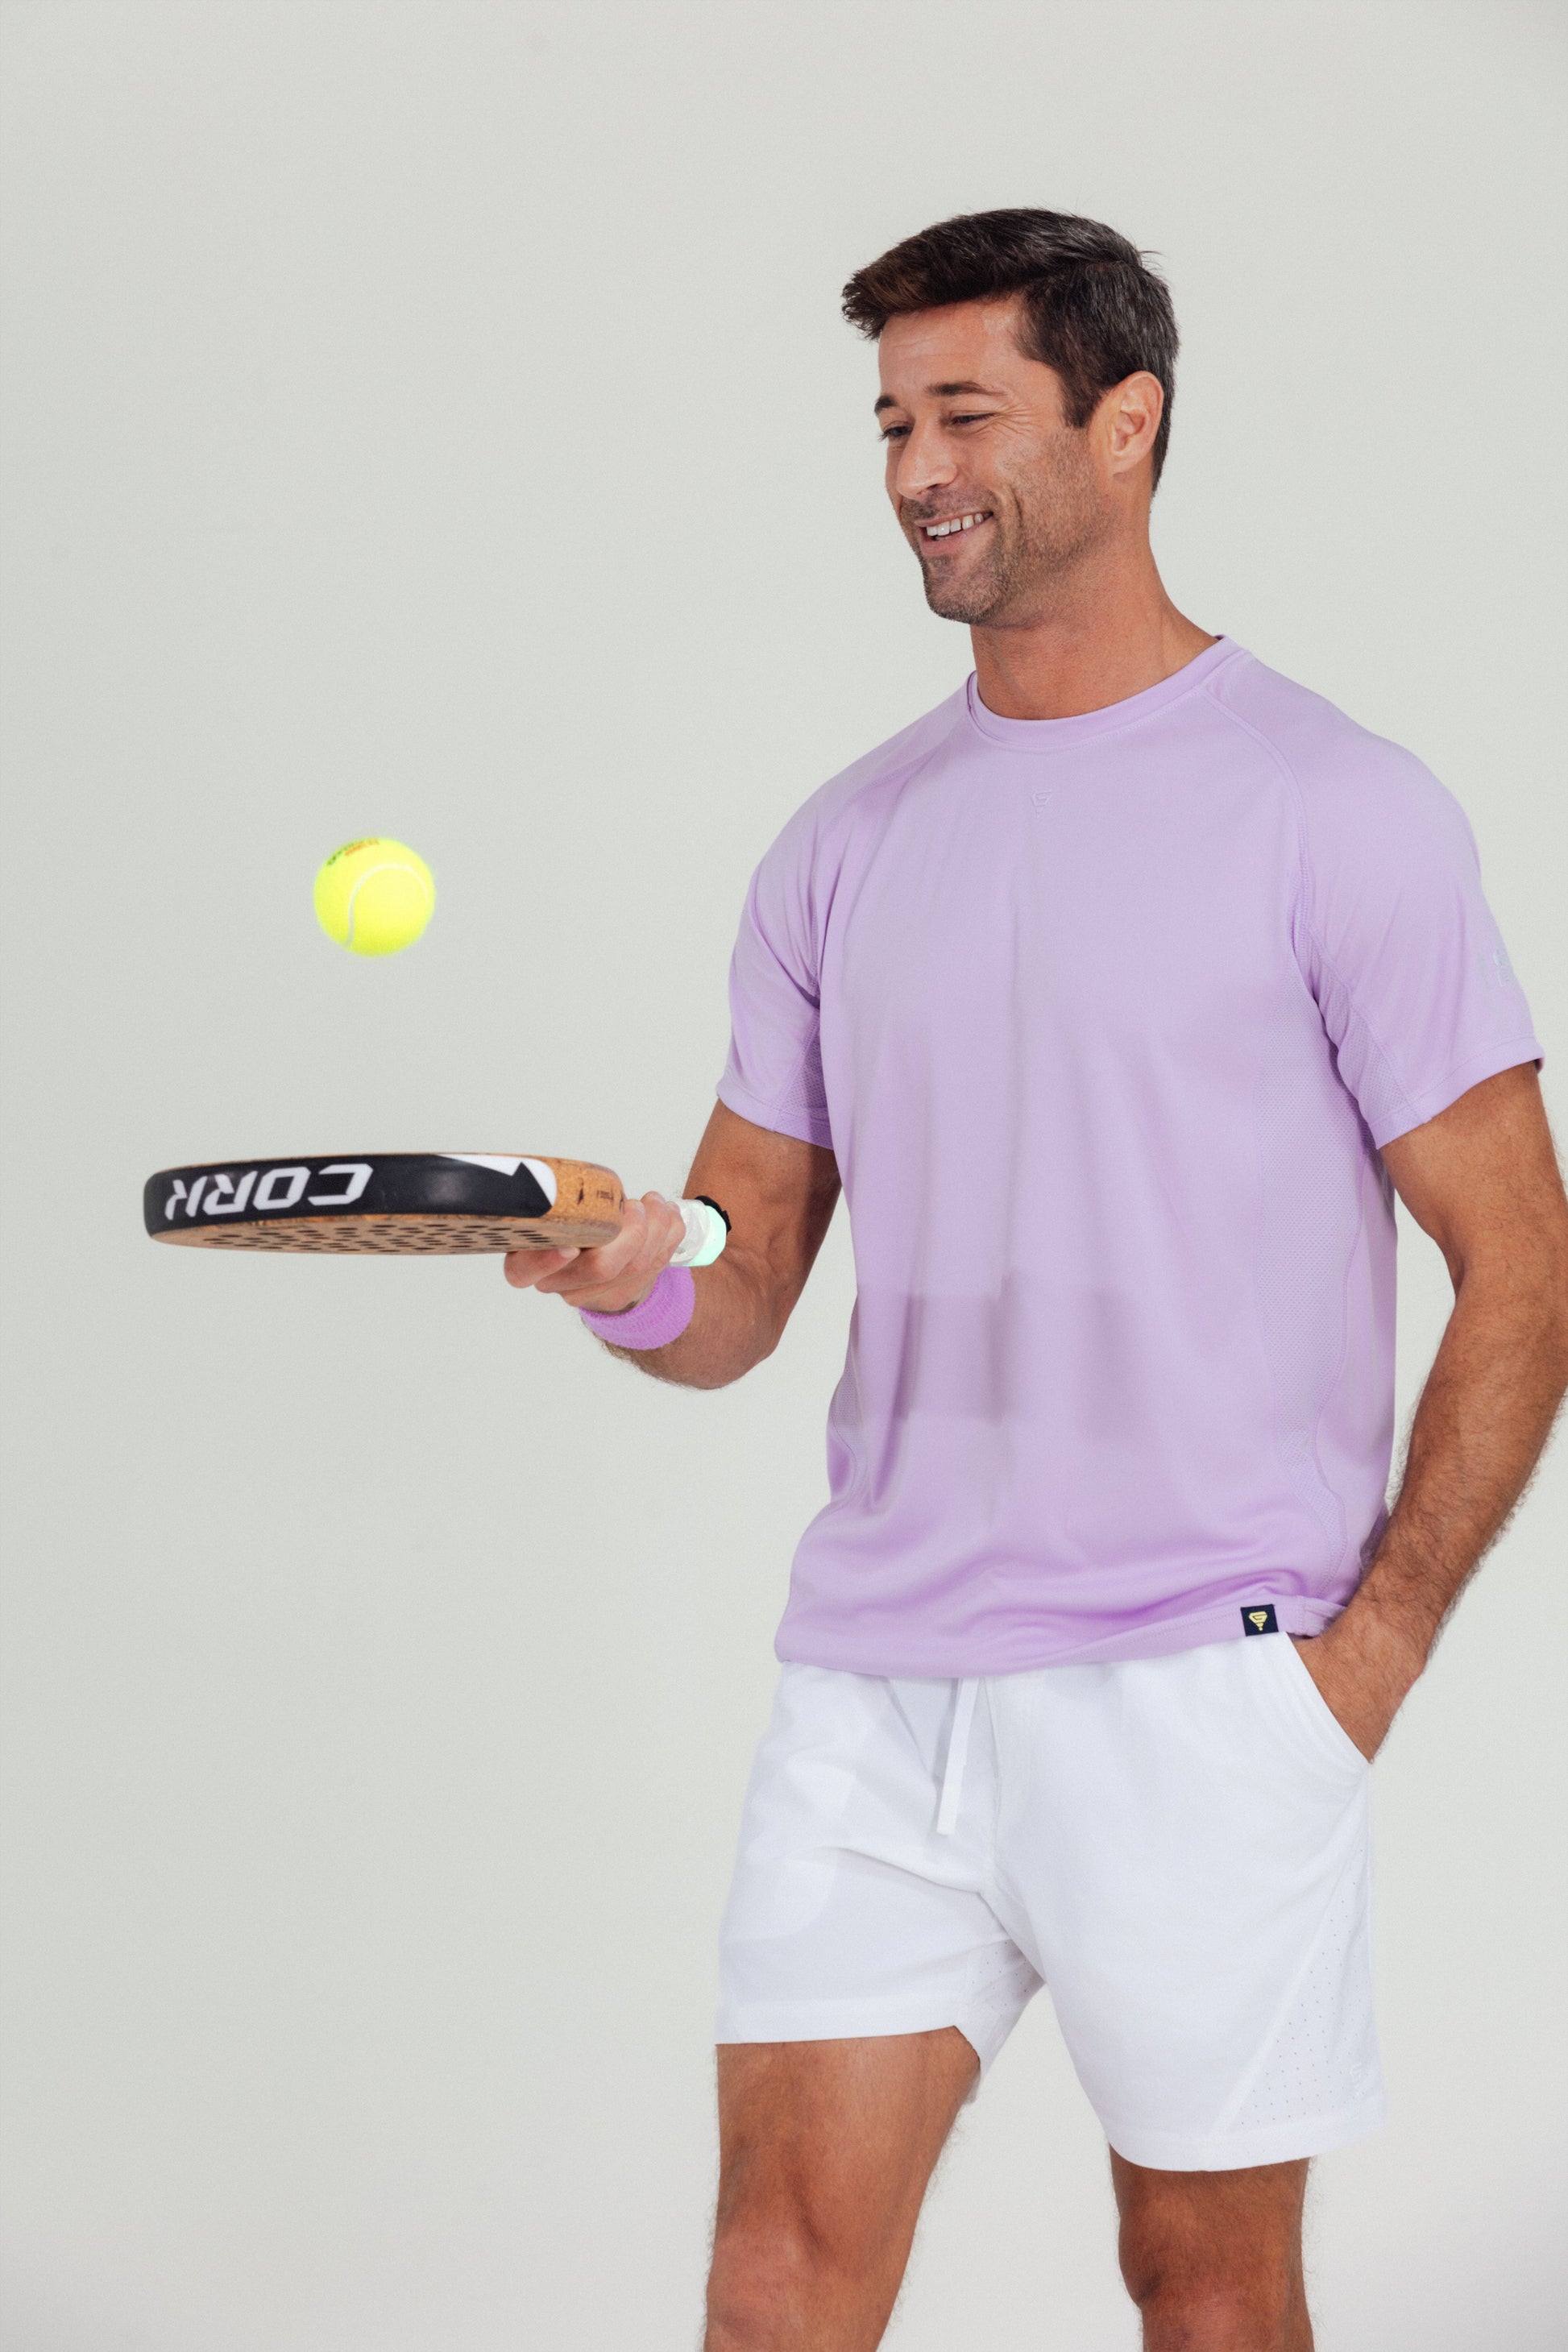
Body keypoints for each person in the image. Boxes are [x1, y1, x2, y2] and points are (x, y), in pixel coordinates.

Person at [503, 209, 1568, 2350]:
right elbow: (734, 1283)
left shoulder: (1332, 808)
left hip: (1199, 1680)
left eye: (966, 413)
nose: (917, 469)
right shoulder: (842, 843)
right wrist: (624, 1273)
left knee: (1201, 2288)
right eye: (892, 423)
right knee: (774, 2283)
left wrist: (1360, 1662)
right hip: (879, 1681)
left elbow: (1523, 1264)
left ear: (1126, 422)